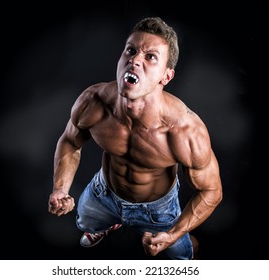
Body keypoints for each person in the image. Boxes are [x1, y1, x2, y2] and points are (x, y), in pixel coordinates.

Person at [48, 16, 223, 260]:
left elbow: (211, 191)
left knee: (181, 257)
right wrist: (59, 190)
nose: (134, 60)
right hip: (103, 193)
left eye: (150, 57)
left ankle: (183, 242)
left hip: (157, 210)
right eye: (130, 50)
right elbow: (69, 141)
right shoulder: (93, 102)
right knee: (85, 222)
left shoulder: (184, 131)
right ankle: (103, 226)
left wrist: (172, 234)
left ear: (166, 76)